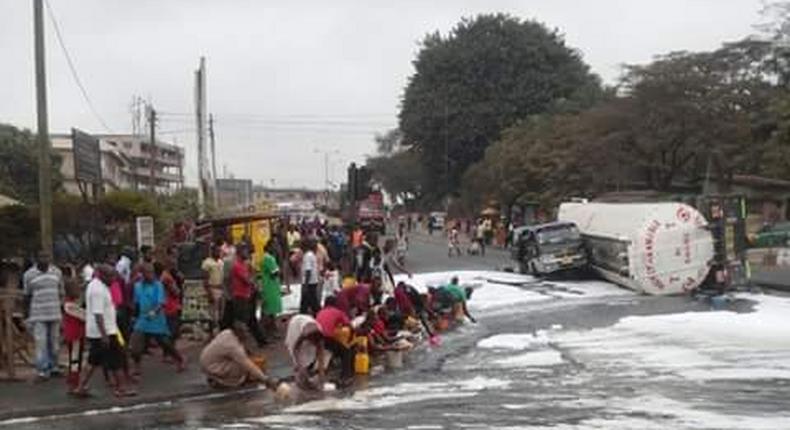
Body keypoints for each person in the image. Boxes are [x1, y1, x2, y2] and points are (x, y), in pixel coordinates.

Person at [73, 265, 134, 397]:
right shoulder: (98, 290)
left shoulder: (99, 286)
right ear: (101, 275)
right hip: (105, 331)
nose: (113, 279)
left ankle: (80, 387)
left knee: (93, 361)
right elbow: (98, 314)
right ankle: (121, 388)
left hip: (103, 330)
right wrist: (104, 335)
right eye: (110, 276)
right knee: (117, 360)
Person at [129, 263, 185, 375]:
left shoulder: (158, 285)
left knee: (165, 342)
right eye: (147, 273)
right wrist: (134, 316)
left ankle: (179, 359)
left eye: (152, 272)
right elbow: (136, 303)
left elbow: (161, 303)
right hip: (143, 319)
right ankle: (137, 366)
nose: (150, 275)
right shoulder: (138, 286)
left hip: (156, 319)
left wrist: (154, 312)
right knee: (135, 345)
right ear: (142, 274)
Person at [199, 322, 284, 391]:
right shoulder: (232, 346)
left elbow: (241, 348)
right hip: (213, 366)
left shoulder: (227, 333)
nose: (247, 335)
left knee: (245, 361)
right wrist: (266, 380)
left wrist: (247, 351)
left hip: (207, 362)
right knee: (243, 366)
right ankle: (223, 381)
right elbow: (247, 364)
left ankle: (216, 378)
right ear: (239, 332)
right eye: (246, 332)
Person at [23, 250, 64, 380]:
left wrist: (62, 309)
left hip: (55, 313)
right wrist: (26, 315)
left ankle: (54, 367)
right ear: (36, 258)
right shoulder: (29, 275)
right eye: (41, 257)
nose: (44, 259)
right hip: (37, 314)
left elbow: (61, 292)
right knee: (41, 343)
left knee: (55, 342)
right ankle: (42, 370)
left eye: (47, 256)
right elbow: (27, 296)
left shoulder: (57, 272)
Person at [315, 296, 354, 386]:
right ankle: (345, 376)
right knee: (346, 351)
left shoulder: (320, 312)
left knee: (334, 348)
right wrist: (351, 336)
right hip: (326, 337)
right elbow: (349, 325)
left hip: (316, 337)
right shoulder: (338, 312)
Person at [284, 314, 326, 391]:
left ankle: (306, 376)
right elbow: (295, 349)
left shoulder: (320, 337)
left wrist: (321, 374)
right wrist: (299, 366)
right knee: (299, 358)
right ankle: (300, 377)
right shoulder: (305, 334)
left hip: (307, 323)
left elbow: (321, 356)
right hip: (296, 324)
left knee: (308, 354)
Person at [62, 278, 85, 389]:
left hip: (76, 334)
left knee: (76, 358)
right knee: (75, 359)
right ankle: (74, 382)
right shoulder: (69, 305)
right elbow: (84, 316)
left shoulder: (71, 304)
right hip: (74, 335)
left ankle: (74, 381)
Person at [258, 242, 283, 335]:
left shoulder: (264, 257)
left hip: (267, 285)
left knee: (267, 308)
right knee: (270, 309)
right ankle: (269, 330)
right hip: (270, 286)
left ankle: (268, 329)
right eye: (274, 246)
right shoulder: (269, 258)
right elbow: (275, 272)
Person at [201, 245, 225, 334]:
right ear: (212, 251)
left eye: (220, 251)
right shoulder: (207, 263)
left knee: (220, 313)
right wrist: (209, 292)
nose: (219, 253)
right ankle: (211, 333)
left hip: (221, 288)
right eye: (217, 251)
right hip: (212, 288)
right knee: (212, 313)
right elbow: (205, 278)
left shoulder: (221, 262)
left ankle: (219, 332)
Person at [300, 239, 321, 315]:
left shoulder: (307, 256)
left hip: (309, 282)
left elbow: (308, 271)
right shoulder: (311, 254)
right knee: (311, 301)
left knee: (308, 302)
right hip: (313, 281)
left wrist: (305, 285)